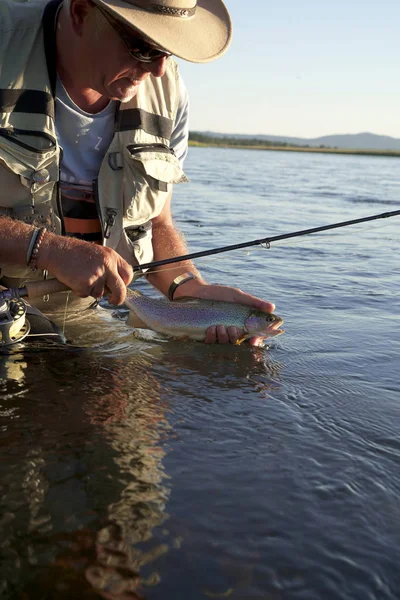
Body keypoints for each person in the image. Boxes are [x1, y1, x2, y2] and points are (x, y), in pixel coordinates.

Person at [0, 0, 276, 345]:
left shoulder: (167, 91)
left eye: (168, 50)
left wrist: (189, 289)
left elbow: (157, 223)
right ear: (81, 12)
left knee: (138, 392)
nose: (159, 69)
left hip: (77, 311)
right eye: (143, 46)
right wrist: (47, 249)